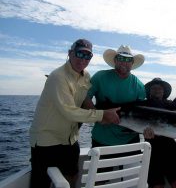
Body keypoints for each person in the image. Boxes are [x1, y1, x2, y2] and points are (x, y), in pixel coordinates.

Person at [29, 39, 120, 188]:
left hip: (70, 139)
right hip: (46, 140)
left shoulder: (86, 76)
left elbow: (84, 98)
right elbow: (69, 111)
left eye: (87, 56)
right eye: (79, 53)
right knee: (41, 183)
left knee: (72, 175)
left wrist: (98, 113)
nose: (83, 59)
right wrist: (102, 115)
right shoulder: (58, 76)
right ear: (70, 53)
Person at [84, 45, 146, 147]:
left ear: (132, 62)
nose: (124, 62)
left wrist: (147, 130)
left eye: (128, 59)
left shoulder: (139, 86)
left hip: (130, 141)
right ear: (115, 60)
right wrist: (99, 117)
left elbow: (140, 115)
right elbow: (85, 97)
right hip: (102, 139)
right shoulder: (100, 77)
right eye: (120, 58)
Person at [143, 78, 176, 188]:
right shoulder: (143, 105)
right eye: (154, 88)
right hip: (152, 150)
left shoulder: (171, 105)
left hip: (170, 149)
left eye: (160, 88)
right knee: (157, 186)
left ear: (164, 91)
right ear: (149, 91)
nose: (157, 90)